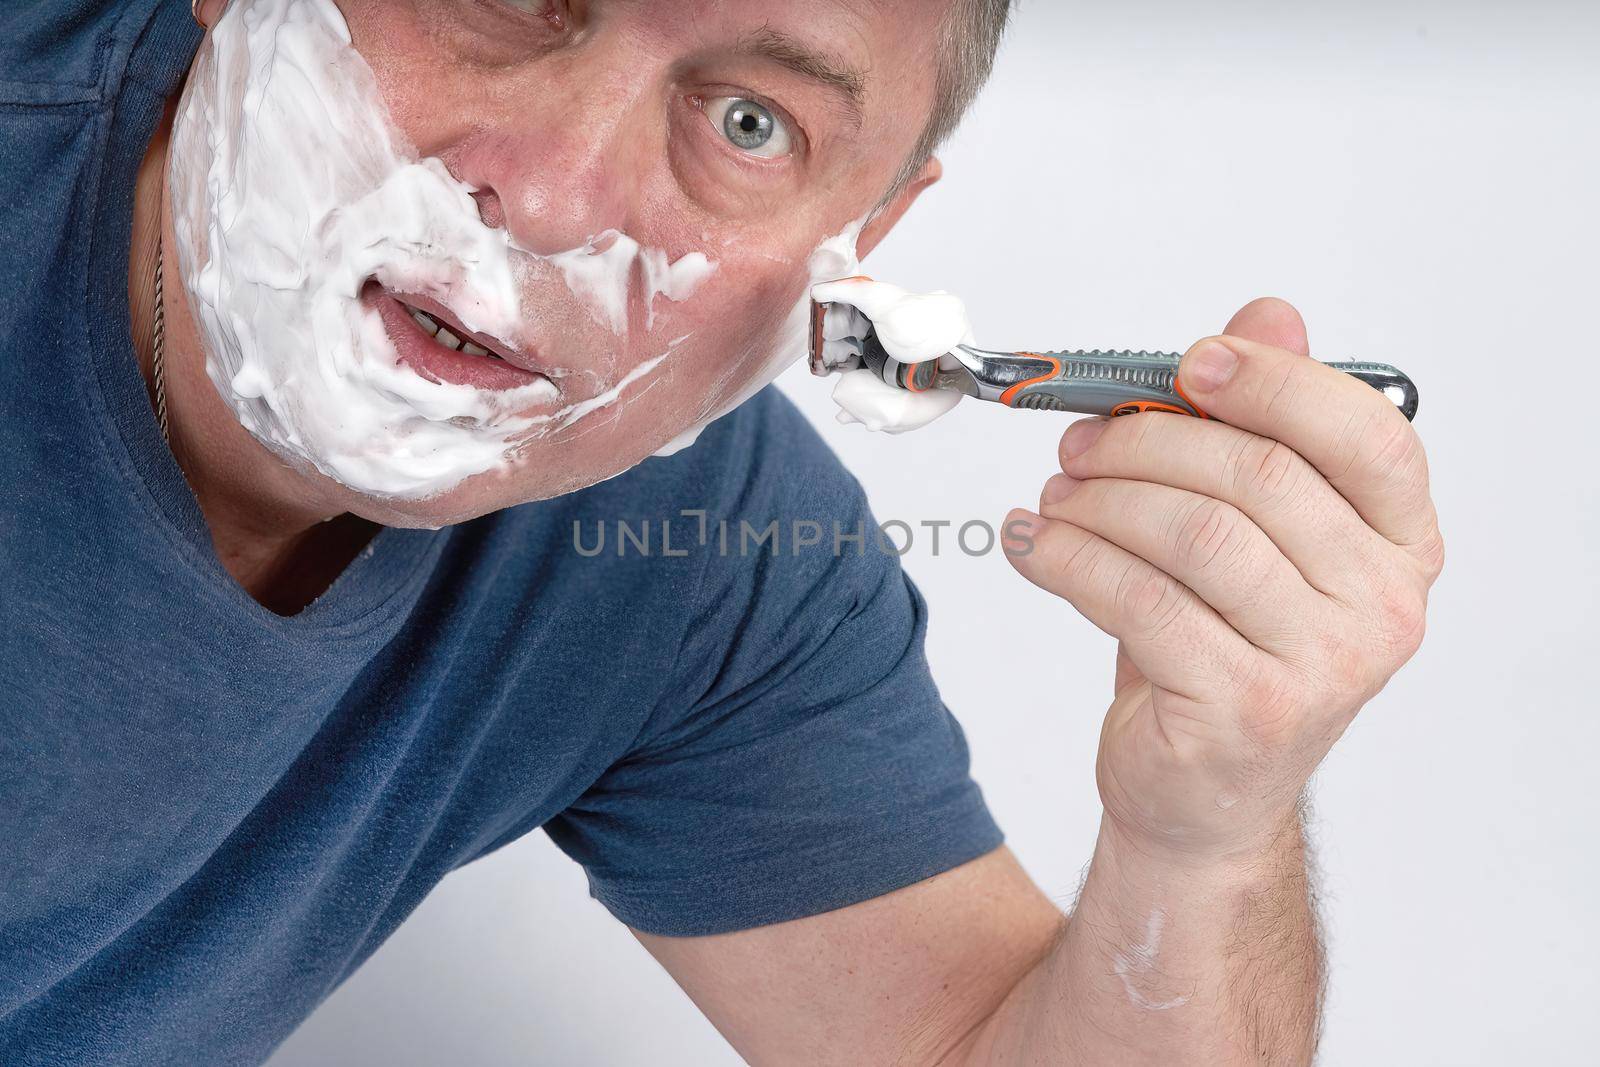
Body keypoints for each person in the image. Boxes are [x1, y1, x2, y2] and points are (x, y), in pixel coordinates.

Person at [0, 0, 1443, 1063]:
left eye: (752, 124)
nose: (554, 199)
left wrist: (1207, 840)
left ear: (855, 244)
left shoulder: (700, 552)